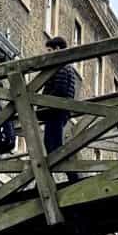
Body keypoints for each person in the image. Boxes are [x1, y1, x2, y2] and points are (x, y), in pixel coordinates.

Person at [41, 36, 79, 183]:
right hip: (58, 112)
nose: (47, 54)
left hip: (56, 112)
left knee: (55, 146)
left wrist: (43, 103)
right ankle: (63, 178)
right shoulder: (65, 67)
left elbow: (60, 90)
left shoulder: (62, 68)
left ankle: (73, 179)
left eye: (49, 50)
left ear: (57, 49)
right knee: (53, 145)